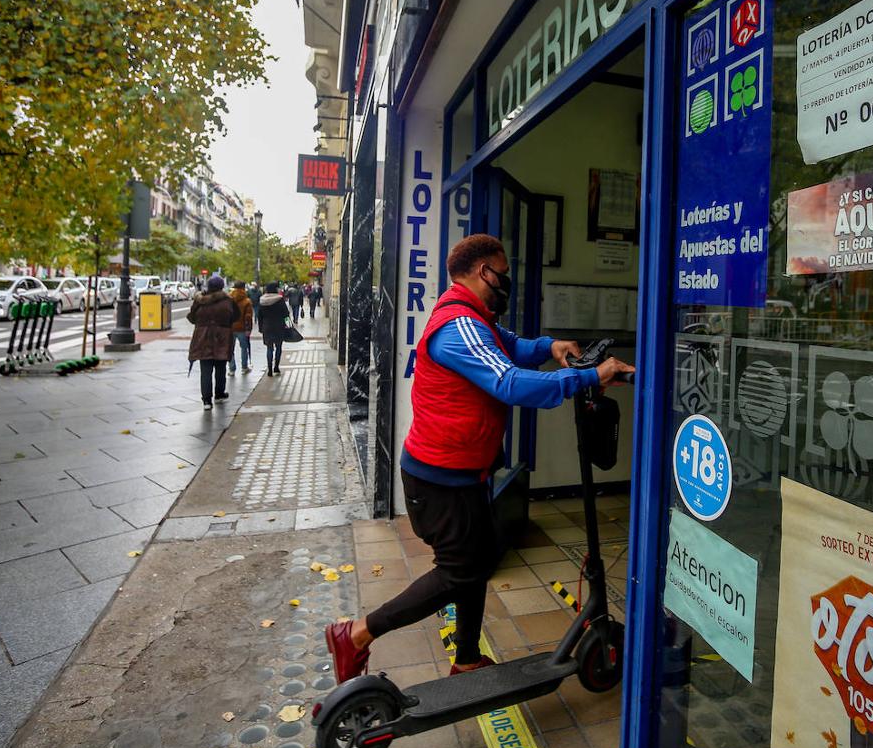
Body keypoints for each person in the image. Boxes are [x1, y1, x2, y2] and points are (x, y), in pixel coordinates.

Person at [324, 234, 634, 683]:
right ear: (483, 271)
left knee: (477, 562)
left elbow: (511, 346)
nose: (506, 281)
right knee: (458, 573)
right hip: (438, 480)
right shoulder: (458, 327)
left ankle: (466, 657)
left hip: (463, 473)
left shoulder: (474, 319)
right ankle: (355, 634)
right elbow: (509, 383)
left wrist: (551, 347)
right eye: (503, 273)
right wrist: (588, 376)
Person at [186, 276, 239, 410]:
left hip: (203, 338)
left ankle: (206, 401)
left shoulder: (200, 301)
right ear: (221, 286)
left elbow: (192, 317)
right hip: (222, 338)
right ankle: (219, 394)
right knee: (221, 367)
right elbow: (235, 316)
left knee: (205, 370)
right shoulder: (227, 301)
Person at [258, 282, 289, 375]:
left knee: (269, 348)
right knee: (278, 347)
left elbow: (260, 316)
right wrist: (288, 325)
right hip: (279, 326)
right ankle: (276, 367)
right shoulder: (279, 300)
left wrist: (261, 328)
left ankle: (269, 369)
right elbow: (286, 314)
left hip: (267, 327)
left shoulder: (262, 300)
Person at [228, 280, 254, 375]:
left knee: (230, 349)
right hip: (242, 328)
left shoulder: (229, 299)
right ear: (244, 288)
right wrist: (248, 328)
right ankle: (244, 367)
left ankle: (231, 369)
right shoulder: (246, 301)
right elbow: (248, 317)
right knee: (244, 347)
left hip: (230, 328)